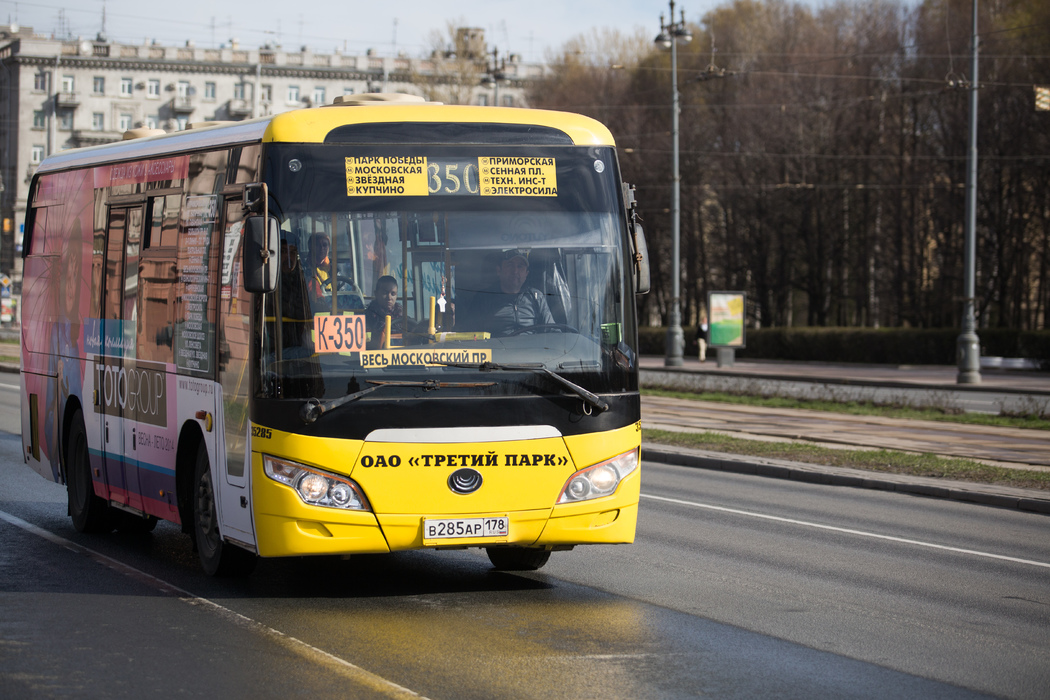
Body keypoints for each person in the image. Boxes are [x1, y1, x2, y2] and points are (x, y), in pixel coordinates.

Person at [460, 248, 554, 336]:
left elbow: (552, 331)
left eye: (520, 266)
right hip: (498, 352)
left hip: (532, 351)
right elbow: (469, 334)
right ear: (499, 270)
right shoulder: (483, 298)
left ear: (526, 274)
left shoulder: (536, 297)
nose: (515, 271)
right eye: (510, 265)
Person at [365, 275, 404, 349]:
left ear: (396, 296)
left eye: (393, 294)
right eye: (385, 293)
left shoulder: (402, 317)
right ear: (376, 294)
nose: (389, 297)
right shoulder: (369, 317)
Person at [305, 232, 332, 308]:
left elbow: (346, 287)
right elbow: (313, 289)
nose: (322, 248)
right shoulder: (306, 269)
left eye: (325, 245)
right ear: (310, 247)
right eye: (317, 245)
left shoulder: (334, 269)